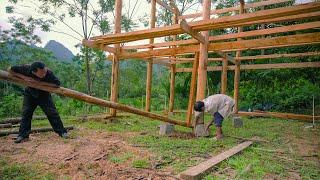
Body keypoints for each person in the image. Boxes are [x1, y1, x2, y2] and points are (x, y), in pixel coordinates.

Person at [8, 61, 68, 143]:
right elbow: (10, 70)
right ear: (34, 72)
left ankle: (62, 132)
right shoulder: (26, 68)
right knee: (26, 113)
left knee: (52, 113)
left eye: (44, 72)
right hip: (30, 93)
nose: (44, 74)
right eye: (41, 73)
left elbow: (57, 84)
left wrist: (41, 83)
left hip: (44, 94)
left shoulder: (48, 72)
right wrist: (23, 77)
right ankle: (23, 135)